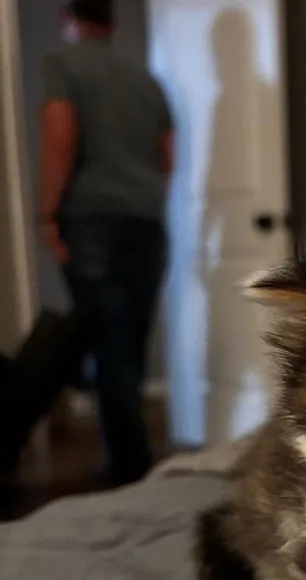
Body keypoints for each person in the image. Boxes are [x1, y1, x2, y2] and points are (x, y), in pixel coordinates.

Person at [39, 0, 174, 485]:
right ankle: (133, 460)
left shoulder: (63, 64)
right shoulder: (146, 79)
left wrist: (48, 214)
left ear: (67, 18)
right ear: (112, 23)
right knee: (130, 348)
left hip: (93, 221)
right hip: (147, 223)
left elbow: (60, 137)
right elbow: (166, 155)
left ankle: (128, 468)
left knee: (108, 347)